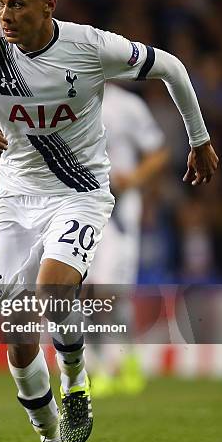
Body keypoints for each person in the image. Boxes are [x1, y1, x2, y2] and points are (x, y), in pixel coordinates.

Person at [0, 0, 218, 442]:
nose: (5, 14)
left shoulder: (91, 46)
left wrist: (199, 139)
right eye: (1, 2)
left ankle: (75, 379)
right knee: (17, 337)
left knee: (53, 288)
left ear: (50, 4)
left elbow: (173, 68)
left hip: (81, 191)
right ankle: (52, 441)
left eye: (18, 4)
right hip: (16, 197)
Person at [86, 84, 169, 395]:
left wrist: (133, 179)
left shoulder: (126, 104)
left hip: (120, 210)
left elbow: (158, 150)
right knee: (83, 290)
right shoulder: (66, 96)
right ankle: (98, 369)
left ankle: (127, 358)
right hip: (82, 206)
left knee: (109, 292)